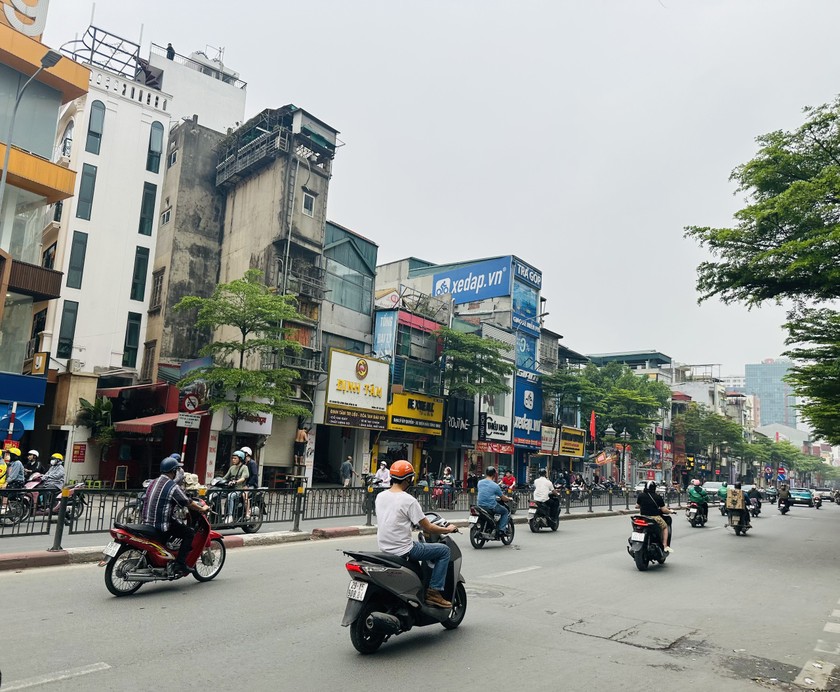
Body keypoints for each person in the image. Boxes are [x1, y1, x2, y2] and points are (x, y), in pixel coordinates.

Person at [375, 459, 457, 608]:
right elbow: (428, 528)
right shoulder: (409, 500)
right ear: (408, 479)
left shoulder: (380, 496)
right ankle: (434, 592)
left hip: (384, 548)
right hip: (405, 549)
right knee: (444, 551)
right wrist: (448, 529)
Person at [141, 456, 210, 577]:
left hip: (146, 521)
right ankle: (180, 564)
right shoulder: (171, 486)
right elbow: (187, 502)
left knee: (176, 524)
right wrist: (202, 508)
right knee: (188, 533)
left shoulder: (153, 482)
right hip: (160, 525)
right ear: (173, 471)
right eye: (177, 470)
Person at [635, 481, 673, 552]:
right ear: (654, 488)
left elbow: (637, 506)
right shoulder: (658, 497)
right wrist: (670, 511)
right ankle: (665, 545)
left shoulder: (641, 495)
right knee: (665, 527)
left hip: (643, 517)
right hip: (654, 517)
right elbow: (664, 510)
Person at [477, 467, 511, 537]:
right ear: (494, 475)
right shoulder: (495, 486)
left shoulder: (479, 483)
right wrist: (508, 499)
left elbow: (485, 492)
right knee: (505, 511)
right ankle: (501, 530)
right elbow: (503, 498)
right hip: (490, 506)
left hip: (479, 505)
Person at [221, 450, 249, 522]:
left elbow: (243, 478)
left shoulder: (244, 467)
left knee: (230, 496)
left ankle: (230, 516)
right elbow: (225, 477)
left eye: (235, 458)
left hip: (239, 489)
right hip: (230, 488)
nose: (233, 460)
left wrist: (236, 481)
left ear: (240, 459)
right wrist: (217, 481)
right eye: (232, 458)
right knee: (216, 494)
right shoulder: (232, 468)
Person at [240, 446, 258, 518]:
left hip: (251, 485)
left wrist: (248, 485)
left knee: (245, 494)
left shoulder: (252, 463)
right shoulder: (243, 463)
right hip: (243, 484)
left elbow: (254, 475)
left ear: (247, 454)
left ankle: (247, 512)